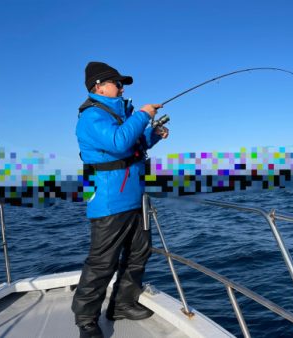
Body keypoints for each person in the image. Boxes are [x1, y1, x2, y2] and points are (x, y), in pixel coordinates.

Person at [72, 61, 168, 338]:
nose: (122, 87)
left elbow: (132, 146)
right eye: (117, 82)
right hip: (109, 201)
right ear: (98, 86)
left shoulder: (119, 116)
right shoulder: (90, 117)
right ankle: (86, 321)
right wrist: (142, 116)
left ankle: (123, 304)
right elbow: (118, 143)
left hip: (135, 198)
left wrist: (154, 134)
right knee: (102, 263)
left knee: (139, 253)